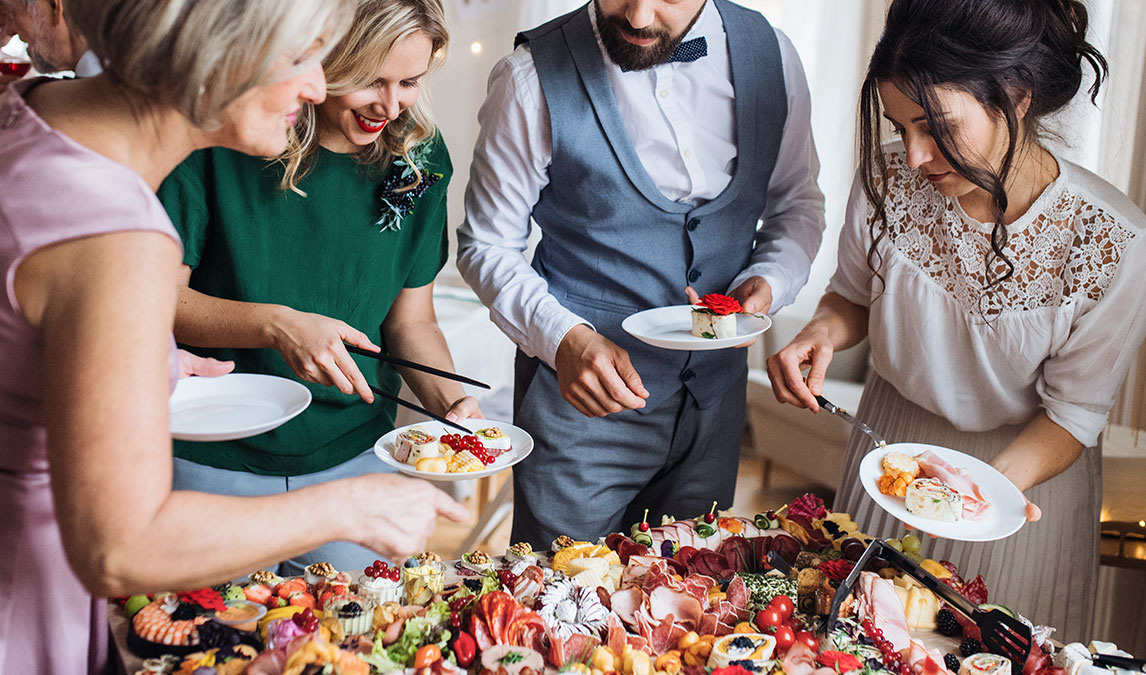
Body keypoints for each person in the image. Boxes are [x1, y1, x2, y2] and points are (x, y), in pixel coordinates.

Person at [0, 0, 467, 672]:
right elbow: (117, 547)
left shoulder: (36, 108)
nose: (315, 85)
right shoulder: (120, 239)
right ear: (221, 51)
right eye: (303, 54)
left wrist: (151, 365)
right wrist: (351, 503)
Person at [766, 0, 1146, 642]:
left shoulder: (1115, 243)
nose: (917, 155)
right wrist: (820, 333)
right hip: (888, 455)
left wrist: (980, 496)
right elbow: (851, 297)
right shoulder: (888, 178)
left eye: (936, 126)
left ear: (1018, 96)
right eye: (901, 126)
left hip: (1020, 486)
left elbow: (1073, 416)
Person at [458, 0, 824, 548]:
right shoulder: (529, 76)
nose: (637, 15)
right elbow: (487, 244)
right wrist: (563, 340)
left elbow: (797, 205)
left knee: (692, 602)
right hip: (579, 414)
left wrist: (770, 279)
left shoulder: (773, 55)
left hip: (715, 409)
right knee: (562, 605)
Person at [157, 0, 479, 576]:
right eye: (367, 81)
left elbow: (411, 322)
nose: (390, 105)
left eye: (410, 81)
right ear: (319, 57)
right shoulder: (230, 134)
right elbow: (158, 303)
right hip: (214, 455)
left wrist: (450, 410)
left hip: (355, 456)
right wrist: (276, 325)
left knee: (352, 650)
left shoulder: (420, 158)